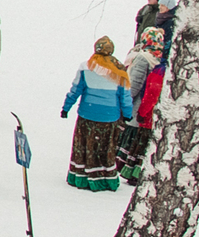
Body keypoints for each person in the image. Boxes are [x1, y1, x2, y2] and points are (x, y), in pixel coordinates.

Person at [64, 36, 134, 191]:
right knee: (105, 148)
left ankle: (81, 176)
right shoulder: (120, 71)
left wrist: (66, 107)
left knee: (84, 146)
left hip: (87, 115)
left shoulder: (86, 67)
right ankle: (104, 177)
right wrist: (128, 113)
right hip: (109, 116)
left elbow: (76, 90)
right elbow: (125, 96)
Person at [117, 27, 167, 182]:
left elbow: (135, 84)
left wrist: (125, 102)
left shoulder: (142, 58)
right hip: (151, 109)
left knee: (131, 139)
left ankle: (127, 168)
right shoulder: (161, 59)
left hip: (139, 106)